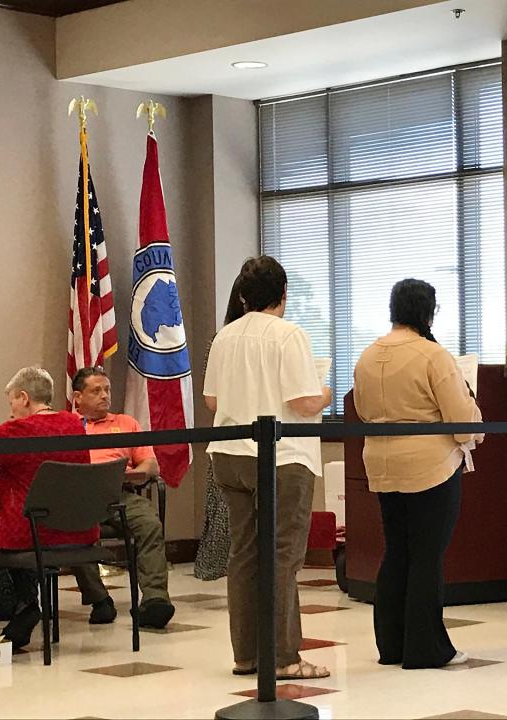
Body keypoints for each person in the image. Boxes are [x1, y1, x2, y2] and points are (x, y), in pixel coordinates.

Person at [204, 255, 332, 680]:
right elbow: (301, 402)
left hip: (228, 454)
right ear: (283, 294)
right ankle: (284, 657)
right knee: (282, 555)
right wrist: (326, 394)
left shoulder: (224, 337)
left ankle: (246, 654)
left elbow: (213, 402)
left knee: (243, 553)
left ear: (243, 295)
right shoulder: (288, 335)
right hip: (282, 457)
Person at [353, 278, 483, 669]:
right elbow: (461, 421)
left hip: (381, 465)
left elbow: (361, 410)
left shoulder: (368, 355)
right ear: (428, 312)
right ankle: (426, 648)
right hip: (431, 468)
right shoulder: (433, 356)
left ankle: (391, 645)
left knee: (396, 551)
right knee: (427, 556)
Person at [0, 367, 93, 648]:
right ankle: (25, 606)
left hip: (29, 532)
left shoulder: (15, 430)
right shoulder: (74, 424)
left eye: (11, 402)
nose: (11, 409)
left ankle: (26, 605)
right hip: (78, 530)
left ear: (23, 398)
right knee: (21, 531)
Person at [70, 368, 175, 630]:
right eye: (96, 391)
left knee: (149, 524)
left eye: (107, 389)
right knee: (73, 530)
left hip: (120, 491)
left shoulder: (126, 422)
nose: (105, 396)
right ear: (77, 397)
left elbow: (151, 466)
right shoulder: (66, 425)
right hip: (80, 495)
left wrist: (127, 474)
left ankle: (155, 600)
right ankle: (100, 600)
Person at [194, 276, 246, 581]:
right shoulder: (222, 340)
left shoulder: (220, 339)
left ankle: (220, 567)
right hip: (230, 434)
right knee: (223, 510)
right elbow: (212, 398)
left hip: (232, 438)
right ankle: (213, 566)